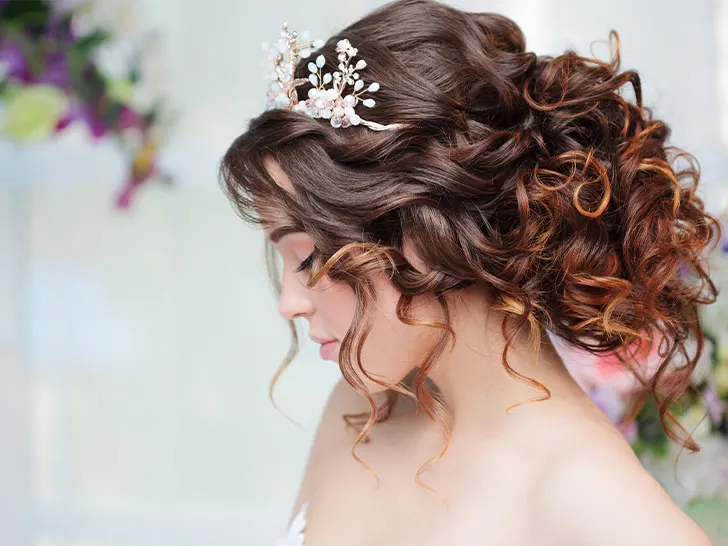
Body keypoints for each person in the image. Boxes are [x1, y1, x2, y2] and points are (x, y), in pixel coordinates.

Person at [219, 0, 722, 544]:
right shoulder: (364, 411)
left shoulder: (600, 509)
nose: (288, 303)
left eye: (307, 257)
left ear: (424, 233)